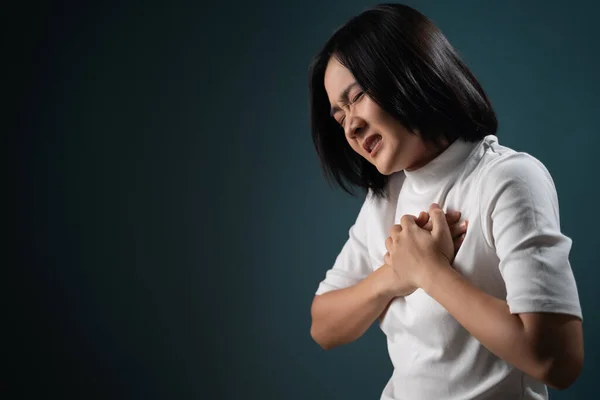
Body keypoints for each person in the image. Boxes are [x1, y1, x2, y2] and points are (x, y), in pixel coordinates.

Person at [308, 4, 584, 400]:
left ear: (410, 74)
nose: (350, 125)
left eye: (359, 96)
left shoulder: (507, 179)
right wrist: (393, 277)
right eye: (340, 116)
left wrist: (429, 272)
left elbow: (558, 361)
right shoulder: (385, 196)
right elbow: (323, 326)